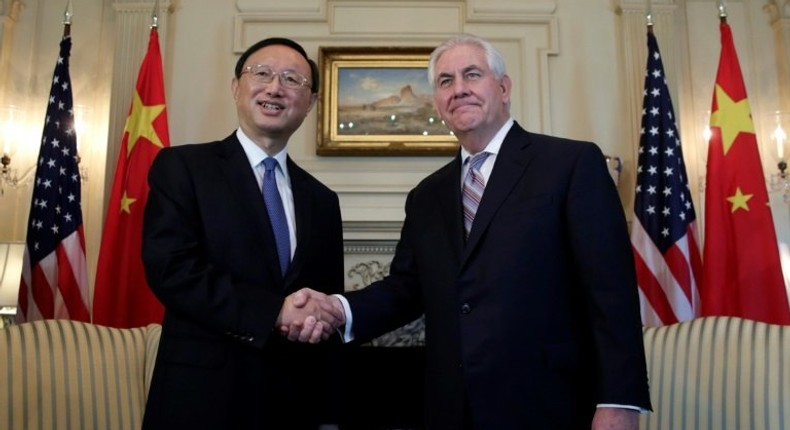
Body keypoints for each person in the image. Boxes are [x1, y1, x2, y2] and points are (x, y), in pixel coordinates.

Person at [287, 33, 652, 429]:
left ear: (503, 87)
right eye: (445, 81)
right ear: (438, 103)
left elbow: (610, 290)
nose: (459, 89)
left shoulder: (570, 164)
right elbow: (406, 289)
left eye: (471, 75)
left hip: (551, 404)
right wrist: (338, 308)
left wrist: (619, 400)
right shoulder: (426, 196)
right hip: (453, 408)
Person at [141, 37, 345, 430]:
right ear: (236, 88)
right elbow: (173, 270)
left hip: (292, 405)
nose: (274, 87)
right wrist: (274, 311)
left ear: (311, 102)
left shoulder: (322, 200)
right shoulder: (183, 167)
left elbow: (323, 311)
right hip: (201, 399)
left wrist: (330, 414)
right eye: (262, 74)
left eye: (292, 79)